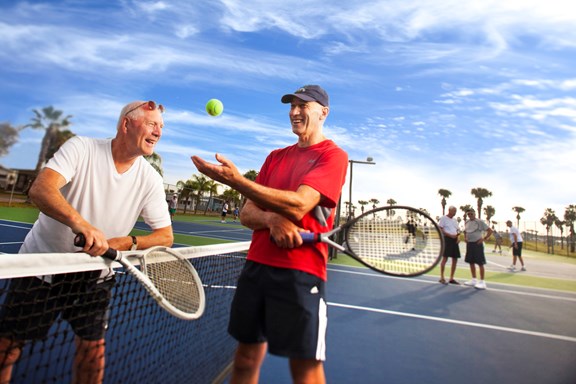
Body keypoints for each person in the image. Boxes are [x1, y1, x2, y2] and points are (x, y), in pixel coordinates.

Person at [0, 100, 173, 384]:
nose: (158, 132)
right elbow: (41, 189)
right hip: (42, 267)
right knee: (7, 349)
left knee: (93, 354)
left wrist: (126, 242)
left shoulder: (150, 179)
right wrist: (81, 224)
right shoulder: (82, 148)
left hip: (95, 276)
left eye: (161, 127)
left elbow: (165, 237)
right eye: (152, 124)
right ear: (126, 124)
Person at [191, 84, 348, 384]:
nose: (294, 111)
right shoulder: (275, 156)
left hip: (300, 275)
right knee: (245, 360)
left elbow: (301, 203)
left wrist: (237, 181)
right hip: (256, 269)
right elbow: (246, 214)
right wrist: (272, 220)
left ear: (323, 112)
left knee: (305, 370)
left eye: (303, 105)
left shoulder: (333, 156)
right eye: (292, 106)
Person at [463, 209, 493, 290]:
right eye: (468, 214)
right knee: (471, 262)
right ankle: (474, 279)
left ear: (474, 214)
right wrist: (465, 238)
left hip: (477, 244)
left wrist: (483, 239)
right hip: (469, 244)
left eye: (471, 214)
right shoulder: (467, 222)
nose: (470, 215)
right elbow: (465, 231)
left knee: (480, 263)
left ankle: (482, 282)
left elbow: (490, 231)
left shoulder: (480, 222)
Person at [437, 206, 461, 285]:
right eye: (454, 211)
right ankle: (442, 277)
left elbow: (458, 230)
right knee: (445, 258)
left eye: (455, 211)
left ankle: (451, 278)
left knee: (455, 259)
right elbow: (440, 229)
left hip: (455, 241)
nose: (455, 212)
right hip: (447, 240)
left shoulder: (454, 220)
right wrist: (449, 235)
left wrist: (458, 237)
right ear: (449, 211)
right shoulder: (443, 218)